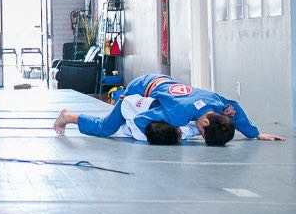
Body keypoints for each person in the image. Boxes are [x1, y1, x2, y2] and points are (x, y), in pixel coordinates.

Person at [54, 73, 284, 144]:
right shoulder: (177, 115)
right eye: (202, 134)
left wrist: (254, 133)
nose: (200, 135)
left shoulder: (218, 104)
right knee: (106, 128)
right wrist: (170, 135)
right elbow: (142, 120)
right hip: (140, 89)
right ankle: (68, 116)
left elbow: (236, 110)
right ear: (204, 123)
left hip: (162, 80)